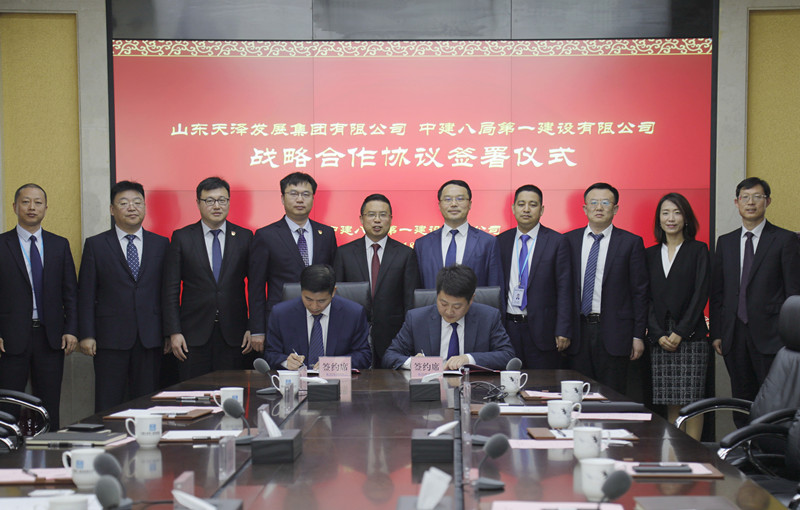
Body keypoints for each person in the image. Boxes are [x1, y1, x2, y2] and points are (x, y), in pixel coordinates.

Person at [710, 177, 800, 422]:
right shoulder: (725, 242)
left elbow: (793, 293)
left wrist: (790, 336)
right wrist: (717, 332)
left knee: (774, 404)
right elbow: (718, 292)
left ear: (767, 201)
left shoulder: (785, 240)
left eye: (757, 197)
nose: (751, 203)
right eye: (745, 197)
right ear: (737, 202)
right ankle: (743, 444)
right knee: (741, 399)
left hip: (772, 336)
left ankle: (770, 446)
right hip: (734, 335)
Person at [78, 181, 169, 412]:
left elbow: (167, 292)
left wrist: (169, 332)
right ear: (112, 209)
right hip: (110, 338)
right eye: (124, 203)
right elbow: (86, 293)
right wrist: (87, 334)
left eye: (137, 202)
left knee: (147, 401)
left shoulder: (161, 244)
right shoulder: (96, 245)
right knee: (109, 402)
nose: (132, 207)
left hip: (150, 337)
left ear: (145, 207)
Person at [0, 184, 78, 429]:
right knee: (8, 404)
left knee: (48, 404)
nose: (31, 207)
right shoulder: (2, 244)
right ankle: (6, 449)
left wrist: (71, 329)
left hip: (50, 336)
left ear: (46, 207)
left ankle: (49, 449)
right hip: (10, 338)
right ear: (15, 207)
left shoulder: (59, 245)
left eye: (37, 202)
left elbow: (70, 292)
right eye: (25, 202)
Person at [162, 177, 254, 380]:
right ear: (198, 203)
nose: (216, 206)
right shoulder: (182, 237)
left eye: (222, 200)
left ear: (229, 202)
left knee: (232, 391)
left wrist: (253, 327)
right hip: (192, 334)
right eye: (209, 201)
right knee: (194, 392)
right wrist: (174, 332)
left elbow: (255, 287)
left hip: (235, 334)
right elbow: (171, 289)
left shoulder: (245, 237)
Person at [565, 182, 648, 395]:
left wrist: (638, 335)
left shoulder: (630, 243)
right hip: (577, 332)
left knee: (611, 395)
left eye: (605, 202)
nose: (599, 207)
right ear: (585, 208)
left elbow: (640, 292)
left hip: (615, 333)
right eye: (593, 202)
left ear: (616, 208)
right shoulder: (568, 241)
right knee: (577, 394)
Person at [249, 172, 337, 354]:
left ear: (313, 198)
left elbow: (334, 279)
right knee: (285, 367)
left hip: (320, 317)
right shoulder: (266, 235)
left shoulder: (326, 234)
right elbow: (256, 286)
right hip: (281, 319)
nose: (300, 199)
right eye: (293, 194)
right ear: (282, 198)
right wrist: (257, 329)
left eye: (306, 194)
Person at [645, 193, 709, 440]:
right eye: (665, 213)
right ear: (659, 219)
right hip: (660, 336)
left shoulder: (698, 250)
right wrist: (658, 333)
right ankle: (674, 453)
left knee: (692, 400)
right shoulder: (650, 254)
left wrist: (681, 331)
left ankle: (693, 454)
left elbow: (700, 293)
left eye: (677, 212)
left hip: (690, 335)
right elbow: (645, 297)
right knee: (671, 400)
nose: (671, 218)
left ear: (686, 218)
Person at [333, 194, 420, 367]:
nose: (377, 220)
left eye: (383, 215)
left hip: (393, 337)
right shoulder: (344, 253)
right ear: (361, 219)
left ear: (391, 219)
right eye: (371, 215)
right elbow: (337, 298)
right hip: (352, 336)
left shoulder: (405, 254)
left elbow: (410, 301)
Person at [382, 264, 514, 370]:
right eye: (443, 304)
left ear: (471, 300)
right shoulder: (416, 319)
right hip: (430, 387)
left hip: (472, 387)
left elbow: (507, 355)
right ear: (437, 295)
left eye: (457, 306)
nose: (449, 311)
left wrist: (468, 359)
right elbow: (390, 356)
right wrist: (414, 363)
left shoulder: (488, 317)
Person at [497, 185, 573, 369]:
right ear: (513, 208)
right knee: (508, 380)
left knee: (541, 383)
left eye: (533, 204)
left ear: (542, 209)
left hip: (543, 330)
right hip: (508, 328)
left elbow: (565, 289)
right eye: (521, 204)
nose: (526, 209)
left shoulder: (557, 241)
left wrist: (563, 329)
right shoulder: (501, 241)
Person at [264, 264, 371, 370]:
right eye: (308, 299)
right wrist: (286, 362)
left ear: (333, 292)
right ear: (301, 290)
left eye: (321, 301)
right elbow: (270, 354)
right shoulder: (281, 314)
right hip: (296, 379)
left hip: (336, 379)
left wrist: (333, 364)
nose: (314, 307)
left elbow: (364, 356)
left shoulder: (353, 314)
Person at [413, 180, 502, 289]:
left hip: (475, 301)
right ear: (439, 205)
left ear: (469, 204)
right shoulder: (422, 244)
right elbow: (416, 289)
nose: (454, 204)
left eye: (460, 199)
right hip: (433, 301)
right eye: (447, 199)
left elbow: (494, 288)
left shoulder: (488, 242)